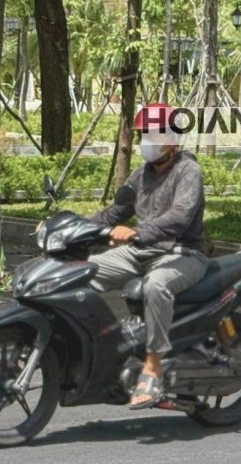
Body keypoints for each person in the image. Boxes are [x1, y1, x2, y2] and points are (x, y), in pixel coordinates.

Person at [87, 102, 209, 409]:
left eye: (152, 134)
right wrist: (69, 227)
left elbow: (180, 216)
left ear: (171, 139)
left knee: (156, 286)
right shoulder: (141, 174)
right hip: (142, 250)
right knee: (82, 271)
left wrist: (138, 233)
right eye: (143, 134)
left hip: (184, 253)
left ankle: (153, 365)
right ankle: (99, 348)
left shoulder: (188, 171)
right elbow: (114, 212)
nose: (146, 141)